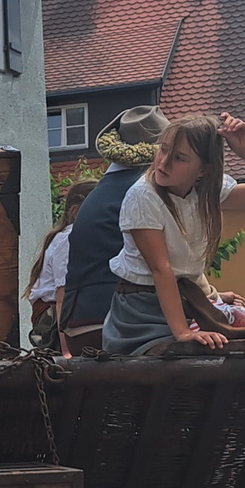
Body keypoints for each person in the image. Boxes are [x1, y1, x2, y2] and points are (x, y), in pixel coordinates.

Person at [100, 113, 245, 355]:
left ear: (203, 170)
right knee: (200, 356)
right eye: (163, 150)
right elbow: (162, 269)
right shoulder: (143, 196)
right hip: (141, 311)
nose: (163, 162)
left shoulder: (205, 190)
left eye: (180, 158)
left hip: (187, 301)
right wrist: (183, 333)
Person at [58, 106, 169, 348]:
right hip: (117, 320)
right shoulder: (144, 189)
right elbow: (162, 265)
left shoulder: (103, 188)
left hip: (78, 317)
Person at [25, 176, 96, 347]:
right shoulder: (69, 239)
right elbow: (62, 297)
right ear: (75, 211)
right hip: (52, 321)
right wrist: (65, 349)